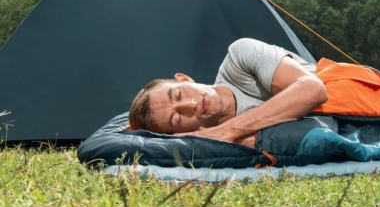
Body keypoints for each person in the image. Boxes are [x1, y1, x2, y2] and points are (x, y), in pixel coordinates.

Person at [128, 38, 328, 147]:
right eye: (177, 118)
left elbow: (313, 89)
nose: (191, 105)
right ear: (181, 133)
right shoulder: (217, 142)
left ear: (184, 78)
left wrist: (229, 131)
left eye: (179, 95)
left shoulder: (240, 56)